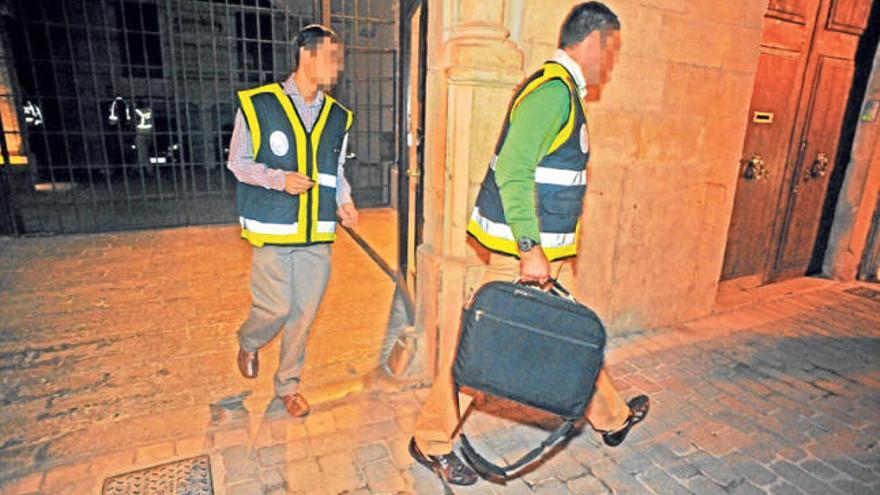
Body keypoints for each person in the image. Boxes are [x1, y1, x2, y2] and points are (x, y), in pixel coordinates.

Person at [408, 2, 650, 485]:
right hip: (524, 256)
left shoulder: (561, 92)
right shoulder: (552, 94)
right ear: (593, 41)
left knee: (572, 336)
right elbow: (514, 170)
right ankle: (430, 442)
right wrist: (528, 247)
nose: (612, 61)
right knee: (479, 354)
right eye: (612, 49)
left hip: (546, 254)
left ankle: (611, 417)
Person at [227, 24, 359, 418]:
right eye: (331, 58)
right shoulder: (258, 104)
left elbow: (333, 169)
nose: (337, 68)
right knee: (277, 307)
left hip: (317, 230)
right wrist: (278, 179)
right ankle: (249, 340)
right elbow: (238, 162)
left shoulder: (338, 116)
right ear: (306, 55)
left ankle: (288, 385)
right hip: (274, 227)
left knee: (304, 314)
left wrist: (344, 201)